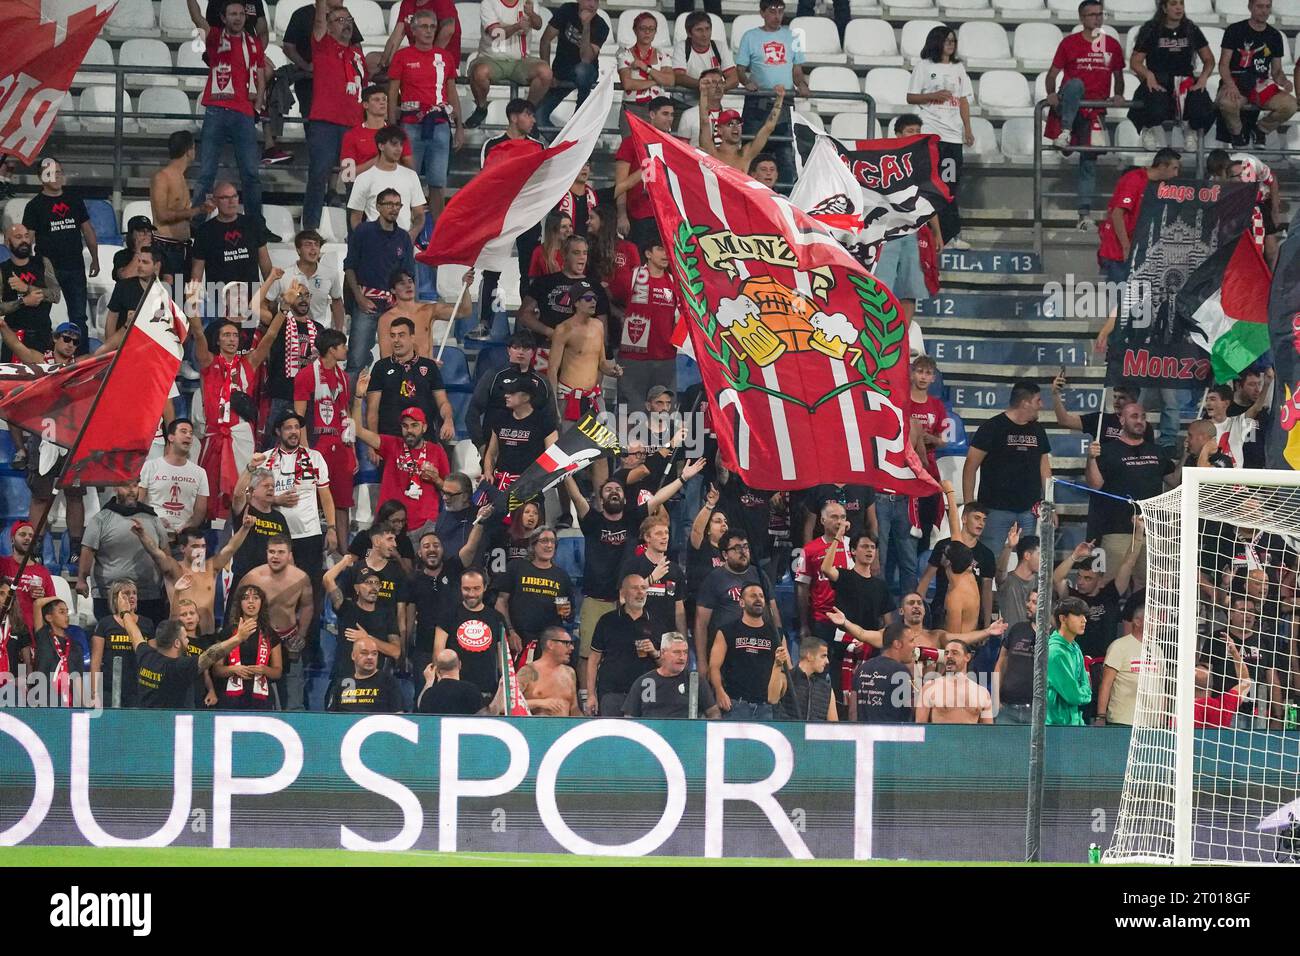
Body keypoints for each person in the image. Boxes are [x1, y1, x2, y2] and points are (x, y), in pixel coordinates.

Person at [186, 276, 288, 520]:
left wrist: (283, 310)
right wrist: (191, 305)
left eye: (235, 336)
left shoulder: (249, 363)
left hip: (240, 436)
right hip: (214, 438)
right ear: (218, 340)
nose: (232, 339)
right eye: (227, 335)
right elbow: (198, 334)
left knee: (241, 492)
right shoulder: (208, 364)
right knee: (209, 496)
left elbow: (270, 337)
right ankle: (214, 541)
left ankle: (242, 535)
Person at [0, 318, 84, 550]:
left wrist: (129, 329)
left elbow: (110, 350)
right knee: (40, 496)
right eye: (66, 338)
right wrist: (3, 327)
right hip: (44, 433)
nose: (70, 344)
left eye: (75, 342)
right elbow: (19, 349)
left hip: (72, 435)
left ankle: (75, 548)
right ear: (55, 339)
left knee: (75, 494)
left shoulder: (83, 365)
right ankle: (34, 547)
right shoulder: (41, 362)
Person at [185, 0, 268, 228]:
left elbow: (260, 77)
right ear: (223, 18)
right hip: (216, 110)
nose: (238, 18)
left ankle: (254, 222)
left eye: (241, 14)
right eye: (232, 14)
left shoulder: (253, 43)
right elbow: (197, 18)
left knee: (251, 173)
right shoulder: (214, 37)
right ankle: (198, 221)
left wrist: (258, 106)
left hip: (243, 113)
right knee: (207, 171)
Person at [1044, 1, 1126, 230]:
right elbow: (1053, 74)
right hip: (1071, 107)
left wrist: (1118, 94)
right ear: (1082, 18)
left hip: (1094, 111)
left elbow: (1118, 75)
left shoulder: (1111, 45)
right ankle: (1066, 131)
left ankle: (1084, 215)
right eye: (1091, 15)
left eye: (1100, 15)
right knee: (1075, 84)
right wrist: (1050, 93)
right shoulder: (1069, 43)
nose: (1097, 19)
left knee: (1089, 163)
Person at [471, 100, 547, 337]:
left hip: (527, 216)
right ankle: (484, 322)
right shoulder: (492, 145)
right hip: (500, 216)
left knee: (529, 270)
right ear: (514, 117)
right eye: (528, 115)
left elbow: (542, 181)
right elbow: (487, 181)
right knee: (491, 269)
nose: (533, 120)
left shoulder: (538, 147)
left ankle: (526, 324)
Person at [1085, 403, 1177, 577]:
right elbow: (1094, 485)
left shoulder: (1157, 451)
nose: (1140, 421)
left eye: (1143, 417)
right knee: (1112, 586)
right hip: (1117, 531)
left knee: (1148, 588)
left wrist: (1190, 453)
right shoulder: (1107, 451)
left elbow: (1174, 480)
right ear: (1121, 419)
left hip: (1151, 531)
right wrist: (1090, 458)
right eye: (1134, 416)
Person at [352, 384, 451, 544]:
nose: (409, 430)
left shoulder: (436, 451)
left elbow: (449, 488)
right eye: (405, 426)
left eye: (414, 425)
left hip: (425, 526)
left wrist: (436, 479)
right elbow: (357, 430)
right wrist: (357, 399)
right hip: (390, 525)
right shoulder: (392, 444)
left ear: (424, 427)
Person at [963, 380, 1052, 555]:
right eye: (1038, 400)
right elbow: (970, 467)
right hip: (995, 510)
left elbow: (1045, 470)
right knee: (988, 560)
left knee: (1026, 562)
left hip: (1028, 510)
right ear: (1025, 403)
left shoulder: (1038, 430)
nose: (1041, 405)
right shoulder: (992, 428)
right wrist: (969, 504)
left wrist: (1049, 504)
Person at [906, 26, 975, 250]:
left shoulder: (958, 68)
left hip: (953, 137)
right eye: (947, 41)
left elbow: (963, 100)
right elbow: (911, 97)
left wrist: (968, 128)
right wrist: (933, 96)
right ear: (936, 42)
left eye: (953, 41)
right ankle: (925, 234)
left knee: (949, 187)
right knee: (928, 185)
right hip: (931, 134)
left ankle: (951, 234)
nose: (951, 44)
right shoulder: (924, 66)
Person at [302, 0, 368, 232]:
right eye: (340, 20)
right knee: (319, 175)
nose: (346, 25)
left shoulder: (358, 56)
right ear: (328, 27)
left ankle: (356, 233)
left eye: (349, 20)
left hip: (352, 128)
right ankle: (310, 229)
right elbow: (319, 18)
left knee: (353, 181)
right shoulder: (323, 46)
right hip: (325, 125)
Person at [133, 515, 252, 635]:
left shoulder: (211, 568)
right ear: (182, 548)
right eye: (195, 546)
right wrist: (142, 535)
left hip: (207, 638)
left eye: (203, 546)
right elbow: (155, 553)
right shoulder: (175, 569)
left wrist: (245, 528)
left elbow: (231, 548)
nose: (200, 550)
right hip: (179, 638)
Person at [21, 158, 96, 344]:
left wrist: (95, 258)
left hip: (75, 266)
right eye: (50, 173)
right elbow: (27, 239)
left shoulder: (74, 199)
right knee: (41, 316)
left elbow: (87, 229)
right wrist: (27, 267)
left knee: (79, 318)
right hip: (46, 270)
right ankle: (42, 356)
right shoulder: (34, 206)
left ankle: (81, 361)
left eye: (59, 172)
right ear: (40, 177)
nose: (56, 176)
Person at [734, 0, 809, 185]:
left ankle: (785, 196)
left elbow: (797, 69)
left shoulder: (793, 36)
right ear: (762, 13)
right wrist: (747, 82)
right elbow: (740, 69)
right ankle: (749, 192)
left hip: (785, 101)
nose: (777, 16)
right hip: (757, 102)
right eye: (772, 11)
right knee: (753, 150)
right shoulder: (750, 36)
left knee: (784, 152)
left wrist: (802, 84)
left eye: (780, 11)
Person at [343, 189, 415, 379]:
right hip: (366, 304)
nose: (394, 209)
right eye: (389, 204)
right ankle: (349, 408)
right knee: (356, 361)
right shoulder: (363, 232)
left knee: (397, 362)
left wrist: (402, 307)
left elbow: (408, 275)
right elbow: (349, 267)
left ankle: (392, 407)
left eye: (397, 204)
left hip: (392, 307)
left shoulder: (403, 238)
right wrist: (358, 298)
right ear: (378, 206)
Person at [693, 526, 782, 678]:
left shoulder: (759, 575)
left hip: (758, 648)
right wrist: (701, 662)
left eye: (746, 547)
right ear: (724, 554)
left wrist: (779, 645)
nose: (743, 551)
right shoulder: (714, 579)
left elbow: (773, 613)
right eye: (737, 548)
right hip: (726, 652)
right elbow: (701, 624)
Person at [236, 535, 313, 709]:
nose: (275, 556)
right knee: (259, 695)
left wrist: (301, 634)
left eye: (280, 552)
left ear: (289, 554)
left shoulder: (301, 578)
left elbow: (308, 606)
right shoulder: (253, 577)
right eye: (271, 552)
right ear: (266, 553)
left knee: (294, 697)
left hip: (289, 638)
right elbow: (237, 607)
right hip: (260, 640)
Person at [293, 328, 356, 540]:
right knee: (312, 501)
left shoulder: (344, 378)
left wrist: (352, 451)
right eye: (343, 346)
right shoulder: (306, 375)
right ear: (331, 350)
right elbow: (298, 417)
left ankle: (343, 553)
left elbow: (345, 415)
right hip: (316, 446)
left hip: (340, 448)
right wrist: (304, 451)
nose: (346, 349)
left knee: (343, 503)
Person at [405, 520, 488, 680]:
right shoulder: (413, 580)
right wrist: (406, 649)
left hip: (457, 647)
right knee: (425, 695)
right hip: (425, 649)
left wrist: (480, 522)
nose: (432, 549)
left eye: (436, 545)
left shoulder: (454, 567)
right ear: (420, 553)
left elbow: (470, 547)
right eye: (426, 546)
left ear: (443, 550)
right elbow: (409, 617)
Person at [1128, 0, 1215, 152]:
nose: (1179, 7)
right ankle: (1148, 128)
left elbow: (1209, 60)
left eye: (1181, 3)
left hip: (1184, 80)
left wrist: (1203, 78)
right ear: (1164, 8)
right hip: (1158, 78)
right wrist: (1147, 74)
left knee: (1201, 101)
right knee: (1155, 101)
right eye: (1174, 4)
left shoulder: (1190, 29)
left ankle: (1191, 129)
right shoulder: (1151, 29)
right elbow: (1135, 62)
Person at [77, 484, 170, 623]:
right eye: (126, 486)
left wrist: (169, 584)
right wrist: (81, 579)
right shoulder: (101, 518)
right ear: (115, 488)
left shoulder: (153, 518)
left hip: (148, 595)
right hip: (109, 595)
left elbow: (165, 553)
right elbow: (88, 550)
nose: (132, 490)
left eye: (135, 486)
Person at [518, 237, 610, 368]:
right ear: (564, 255)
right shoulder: (544, 282)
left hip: (580, 352)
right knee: (546, 387)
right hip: (546, 349)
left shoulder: (595, 286)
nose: (582, 257)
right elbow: (524, 315)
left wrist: (601, 360)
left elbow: (603, 327)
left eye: (585, 253)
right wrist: (551, 333)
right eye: (576, 253)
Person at [610, 239, 679, 410]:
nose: (665, 254)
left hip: (665, 359)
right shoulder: (632, 277)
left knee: (663, 416)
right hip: (633, 359)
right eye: (660, 249)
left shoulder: (674, 282)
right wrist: (620, 315)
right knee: (632, 415)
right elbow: (606, 296)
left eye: (668, 249)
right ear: (648, 254)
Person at [188, 182, 273, 320]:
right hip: (219, 304)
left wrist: (271, 296)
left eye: (234, 196)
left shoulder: (252, 224)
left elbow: (265, 263)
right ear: (215, 201)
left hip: (253, 300)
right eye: (225, 197)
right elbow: (197, 272)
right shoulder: (205, 231)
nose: (231, 201)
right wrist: (193, 303)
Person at [1095, 148, 1181, 283]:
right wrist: (1126, 246)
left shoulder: (1158, 186)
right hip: (1119, 252)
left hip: (1136, 250)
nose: (1176, 174)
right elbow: (1117, 214)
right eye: (1174, 168)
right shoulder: (1135, 179)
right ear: (1162, 166)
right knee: (1120, 298)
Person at [1052, 531, 1140, 661]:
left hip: (1104, 662)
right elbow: (1057, 578)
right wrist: (1075, 555)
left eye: (1087, 578)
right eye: (1079, 576)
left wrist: (1138, 533)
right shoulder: (1073, 597)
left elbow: (1128, 563)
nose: (1080, 582)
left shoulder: (1110, 595)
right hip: (1076, 660)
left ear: (1100, 581)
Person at [363, 317, 455, 441]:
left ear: (412, 337)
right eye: (393, 335)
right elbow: (372, 410)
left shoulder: (429, 366)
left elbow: (443, 402)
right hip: (390, 441)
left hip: (424, 440)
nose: (396, 340)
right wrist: (373, 444)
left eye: (401, 335)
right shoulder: (381, 367)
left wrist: (448, 421)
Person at [464, 0, 551, 129]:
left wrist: (532, 14)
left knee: (546, 72)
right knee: (479, 72)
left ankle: (526, 112)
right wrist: (518, 26)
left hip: (521, 60)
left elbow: (538, 25)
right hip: (490, 58)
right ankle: (481, 107)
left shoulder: (528, 1)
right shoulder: (488, 2)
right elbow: (495, 33)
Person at [547, 277, 622, 425]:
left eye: (595, 298)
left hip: (593, 398)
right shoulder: (564, 330)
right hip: (569, 398)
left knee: (601, 446)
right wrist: (553, 405)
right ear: (576, 303)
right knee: (569, 446)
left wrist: (613, 370)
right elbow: (552, 369)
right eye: (588, 298)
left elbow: (601, 363)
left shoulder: (598, 326)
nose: (593, 302)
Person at [467, 330, 555, 455]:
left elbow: (551, 419)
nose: (520, 352)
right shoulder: (493, 376)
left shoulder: (542, 382)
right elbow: (472, 412)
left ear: (533, 352)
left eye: (526, 348)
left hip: (533, 450)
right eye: (516, 347)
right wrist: (481, 445)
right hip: (496, 448)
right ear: (508, 350)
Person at [709, 582, 786, 721]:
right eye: (753, 596)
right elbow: (714, 667)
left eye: (761, 596)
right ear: (742, 603)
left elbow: (787, 669)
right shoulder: (727, 631)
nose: (758, 599)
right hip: (736, 704)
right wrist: (719, 692)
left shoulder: (777, 634)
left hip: (767, 706)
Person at [918, 490, 994, 629]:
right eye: (976, 518)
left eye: (984, 520)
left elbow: (987, 591)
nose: (981, 524)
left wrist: (987, 624)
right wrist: (918, 610)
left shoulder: (987, 554)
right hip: (940, 610)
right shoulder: (944, 546)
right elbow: (926, 579)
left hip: (970, 614)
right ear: (964, 519)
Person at [134, 616, 242, 709]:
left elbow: (135, 635)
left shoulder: (146, 656)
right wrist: (237, 638)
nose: (188, 641)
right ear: (177, 643)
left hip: (143, 723)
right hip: (169, 726)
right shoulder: (179, 667)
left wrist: (124, 613)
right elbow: (211, 655)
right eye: (185, 637)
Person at [494, 527, 574, 654]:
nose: (549, 545)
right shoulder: (516, 567)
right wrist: (510, 631)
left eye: (553, 541)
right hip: (519, 640)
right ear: (533, 544)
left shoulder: (562, 576)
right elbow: (501, 601)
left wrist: (568, 613)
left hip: (549, 644)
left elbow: (569, 615)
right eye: (544, 541)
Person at [588, 572, 658, 716]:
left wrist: (655, 652)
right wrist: (590, 695)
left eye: (643, 588)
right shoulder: (607, 621)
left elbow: (667, 662)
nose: (640, 593)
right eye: (634, 588)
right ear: (623, 593)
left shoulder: (657, 622)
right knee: (611, 737)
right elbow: (594, 659)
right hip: (612, 693)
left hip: (646, 694)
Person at [150, 131, 214, 284]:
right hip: (165, 248)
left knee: (181, 301)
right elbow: (162, 215)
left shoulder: (181, 176)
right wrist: (197, 210)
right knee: (166, 302)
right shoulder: (162, 177)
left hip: (183, 248)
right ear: (189, 151)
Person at [434, 568, 506, 703]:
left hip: (486, 692)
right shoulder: (448, 615)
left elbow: (502, 657)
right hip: (455, 691)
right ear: (460, 588)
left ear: (485, 587)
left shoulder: (496, 618)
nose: (471, 594)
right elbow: (438, 653)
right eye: (466, 589)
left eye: (476, 588)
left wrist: (504, 686)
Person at [534, 0, 607, 131]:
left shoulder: (601, 25)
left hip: (586, 71)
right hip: (561, 70)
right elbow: (545, 41)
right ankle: (561, 146)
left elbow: (586, 58)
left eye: (596, 1)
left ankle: (577, 121)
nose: (592, 5)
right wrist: (548, 72)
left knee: (582, 70)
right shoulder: (567, 10)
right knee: (538, 116)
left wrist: (586, 27)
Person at [346, 127, 427, 239]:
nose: (399, 149)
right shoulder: (364, 178)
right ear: (381, 146)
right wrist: (365, 238)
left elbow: (419, 214)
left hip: (404, 241)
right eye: (394, 144)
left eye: (401, 145)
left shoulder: (411, 176)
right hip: (375, 242)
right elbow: (355, 217)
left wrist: (413, 234)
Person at [213, 584, 284, 709]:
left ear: (261, 603)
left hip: (261, 699)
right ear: (239, 603)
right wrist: (234, 669)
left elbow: (277, 672)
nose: (251, 602)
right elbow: (217, 670)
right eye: (246, 598)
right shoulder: (227, 633)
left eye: (256, 598)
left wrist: (264, 670)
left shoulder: (270, 634)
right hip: (231, 698)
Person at [378, 267, 474, 360]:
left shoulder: (428, 310)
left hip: (427, 374)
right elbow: (386, 357)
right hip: (402, 375)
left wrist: (465, 287)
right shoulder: (386, 319)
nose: (408, 286)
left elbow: (464, 312)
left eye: (410, 281)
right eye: (402, 283)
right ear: (393, 290)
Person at [620, 516, 688, 642]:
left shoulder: (675, 569)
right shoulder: (632, 566)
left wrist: (683, 640)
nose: (665, 537)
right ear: (647, 538)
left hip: (666, 639)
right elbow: (623, 600)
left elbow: (679, 609)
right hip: (637, 636)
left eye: (666, 532)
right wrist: (651, 578)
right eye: (659, 533)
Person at [88, 581, 155, 709]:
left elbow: (152, 661)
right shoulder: (105, 624)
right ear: (115, 598)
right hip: (109, 688)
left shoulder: (147, 624)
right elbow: (95, 662)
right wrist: (94, 693)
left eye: (134, 593)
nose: (132, 597)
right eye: (126, 593)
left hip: (137, 689)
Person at [482, 379, 558, 490]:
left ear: (526, 397)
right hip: (500, 483)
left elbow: (552, 457)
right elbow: (491, 454)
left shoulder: (544, 421)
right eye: (506, 392)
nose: (506, 395)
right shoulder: (500, 419)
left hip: (529, 486)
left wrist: (536, 482)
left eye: (512, 393)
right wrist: (488, 472)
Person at [622, 632, 719, 719]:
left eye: (685, 652)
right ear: (663, 653)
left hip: (686, 735)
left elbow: (714, 713)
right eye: (677, 652)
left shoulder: (695, 680)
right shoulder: (644, 682)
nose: (682, 657)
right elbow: (629, 717)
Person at [0, 224, 59, 363]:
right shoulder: (3, 270)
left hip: (42, 335)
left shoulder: (43, 263)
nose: (24, 240)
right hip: (14, 337)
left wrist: (26, 288)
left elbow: (56, 295)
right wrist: (23, 302)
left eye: (27, 236)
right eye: (18, 237)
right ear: (8, 243)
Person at [227, 467, 292, 586]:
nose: (271, 489)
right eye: (266, 486)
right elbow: (237, 494)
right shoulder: (245, 510)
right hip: (245, 580)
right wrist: (249, 467)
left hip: (273, 581)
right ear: (252, 490)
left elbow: (288, 553)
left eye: (273, 486)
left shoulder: (279, 518)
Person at [698, 92, 784, 176]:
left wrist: (780, 99)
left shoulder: (746, 154)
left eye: (738, 123)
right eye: (730, 124)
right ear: (720, 130)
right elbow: (704, 121)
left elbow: (768, 128)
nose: (735, 127)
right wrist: (704, 92)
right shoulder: (712, 153)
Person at [341, 85, 415, 181]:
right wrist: (378, 160)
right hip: (363, 186)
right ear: (365, 105)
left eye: (384, 99)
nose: (382, 103)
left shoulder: (398, 133)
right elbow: (347, 175)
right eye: (376, 100)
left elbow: (408, 165)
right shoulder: (351, 135)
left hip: (393, 185)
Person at [850, 621, 917, 723]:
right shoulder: (901, 672)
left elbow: (853, 711)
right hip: (891, 736)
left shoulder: (862, 668)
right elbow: (915, 709)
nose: (915, 646)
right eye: (911, 641)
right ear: (897, 644)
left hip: (864, 736)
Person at [915, 638, 993, 724]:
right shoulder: (929, 687)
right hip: (941, 737)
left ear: (967, 657)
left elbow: (988, 732)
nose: (948, 656)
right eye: (946, 653)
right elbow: (920, 727)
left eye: (955, 653)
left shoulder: (982, 693)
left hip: (970, 737)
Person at [0, 521, 55, 634]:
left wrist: (42, 597)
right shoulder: (2, 564)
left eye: (31, 536)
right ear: (12, 539)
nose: (27, 538)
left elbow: (53, 603)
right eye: (22, 534)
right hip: (5, 628)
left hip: (32, 630)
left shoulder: (42, 571)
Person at [1095, 603, 1145, 726]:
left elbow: (1161, 686)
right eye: (1153, 619)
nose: (1158, 622)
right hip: (1123, 721)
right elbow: (1106, 684)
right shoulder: (1119, 646)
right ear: (1137, 622)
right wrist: (1100, 716)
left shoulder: (1158, 649)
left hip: (1152, 724)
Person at [1205, 376, 1271, 468]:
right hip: (1211, 475)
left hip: (1243, 474)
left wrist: (1267, 384)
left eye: (1212, 399)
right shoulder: (1202, 427)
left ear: (1226, 403)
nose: (1208, 403)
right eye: (1207, 399)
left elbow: (1256, 408)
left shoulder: (1236, 423)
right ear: (1238, 386)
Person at [994, 589, 1039, 725]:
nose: (1028, 605)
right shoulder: (1017, 629)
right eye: (1028, 600)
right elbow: (1001, 662)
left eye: (1034, 602)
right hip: (1007, 708)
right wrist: (995, 698)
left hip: (1037, 711)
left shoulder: (1054, 637)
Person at [327, 636, 405, 712]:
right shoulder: (342, 683)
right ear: (353, 655)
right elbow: (330, 718)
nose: (370, 657)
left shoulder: (389, 682)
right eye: (364, 653)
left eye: (374, 654)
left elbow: (398, 716)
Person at [1046, 596, 1092, 725]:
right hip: (1054, 726)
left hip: (1074, 723)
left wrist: (1082, 693)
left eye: (1084, 615)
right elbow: (1073, 696)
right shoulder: (1055, 652)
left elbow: (1086, 685)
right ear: (1063, 618)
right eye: (1078, 615)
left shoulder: (1075, 647)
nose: (1084, 620)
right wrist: (1084, 694)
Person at [617, 12, 674, 115]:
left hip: (658, 109)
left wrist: (646, 68)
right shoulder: (625, 54)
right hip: (632, 106)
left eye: (651, 29)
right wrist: (657, 81)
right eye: (643, 28)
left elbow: (670, 80)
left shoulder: (662, 54)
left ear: (655, 32)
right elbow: (628, 84)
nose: (647, 32)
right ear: (635, 30)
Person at [513, 627, 580, 715]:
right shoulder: (528, 672)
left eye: (572, 643)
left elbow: (574, 708)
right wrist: (540, 703)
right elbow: (506, 705)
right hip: (536, 727)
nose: (572, 647)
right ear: (550, 644)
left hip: (564, 727)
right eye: (566, 643)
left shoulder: (570, 673)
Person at [29, 596, 82, 707]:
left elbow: (78, 679)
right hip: (42, 700)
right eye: (61, 612)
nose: (66, 616)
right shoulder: (43, 637)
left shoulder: (75, 646)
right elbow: (37, 604)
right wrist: (56, 597)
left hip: (68, 702)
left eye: (67, 612)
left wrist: (81, 705)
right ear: (49, 617)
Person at [773, 636, 836, 721]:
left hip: (816, 734)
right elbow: (772, 699)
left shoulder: (827, 689)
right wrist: (777, 666)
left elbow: (834, 726)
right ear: (809, 656)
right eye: (823, 656)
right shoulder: (785, 678)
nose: (827, 661)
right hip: (788, 733)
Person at [673, 10, 737, 90]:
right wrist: (703, 86)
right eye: (699, 30)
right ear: (689, 33)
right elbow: (679, 77)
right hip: (684, 101)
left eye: (707, 29)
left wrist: (717, 88)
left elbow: (734, 78)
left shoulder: (720, 46)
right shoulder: (681, 46)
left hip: (712, 101)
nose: (705, 34)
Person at [1227, 367, 1273, 469]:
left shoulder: (1263, 413)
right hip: (1232, 469)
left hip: (1258, 471)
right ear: (1238, 386)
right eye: (1251, 384)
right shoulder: (1226, 411)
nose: (1257, 389)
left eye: (1259, 384)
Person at [417, 647, 486, 714]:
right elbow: (482, 717)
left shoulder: (430, 694)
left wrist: (429, 682)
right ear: (459, 664)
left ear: (437, 670)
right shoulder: (471, 690)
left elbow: (421, 709)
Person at [996, 529, 1039, 627]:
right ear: (1027, 555)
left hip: (1035, 640)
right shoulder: (1008, 581)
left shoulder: (1041, 582)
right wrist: (1009, 547)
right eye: (1040, 554)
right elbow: (1000, 572)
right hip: (1010, 640)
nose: (1043, 560)